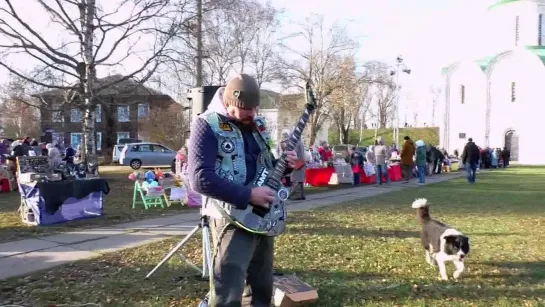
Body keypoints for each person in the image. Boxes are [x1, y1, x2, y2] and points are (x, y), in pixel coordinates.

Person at [188, 74, 298, 307]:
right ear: (229, 104)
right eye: (246, 108)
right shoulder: (206, 124)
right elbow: (199, 178)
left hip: (261, 215)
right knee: (229, 288)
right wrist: (247, 195)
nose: (252, 113)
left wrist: (283, 167)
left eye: (255, 108)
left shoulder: (256, 125)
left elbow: (265, 166)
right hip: (230, 217)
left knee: (261, 285)